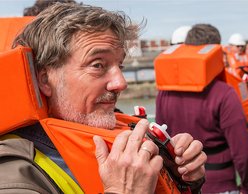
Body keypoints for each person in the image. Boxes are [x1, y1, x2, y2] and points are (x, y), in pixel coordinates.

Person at [0, 3, 206, 194]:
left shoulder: (115, 130)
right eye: (97, 65)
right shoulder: (13, 175)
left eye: (120, 65)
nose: (121, 83)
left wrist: (181, 180)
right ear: (45, 79)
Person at [155, 23, 248, 194]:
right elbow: (243, 152)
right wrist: (247, 186)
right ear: (216, 50)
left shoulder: (164, 93)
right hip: (221, 184)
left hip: (180, 185)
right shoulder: (224, 93)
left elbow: (161, 142)